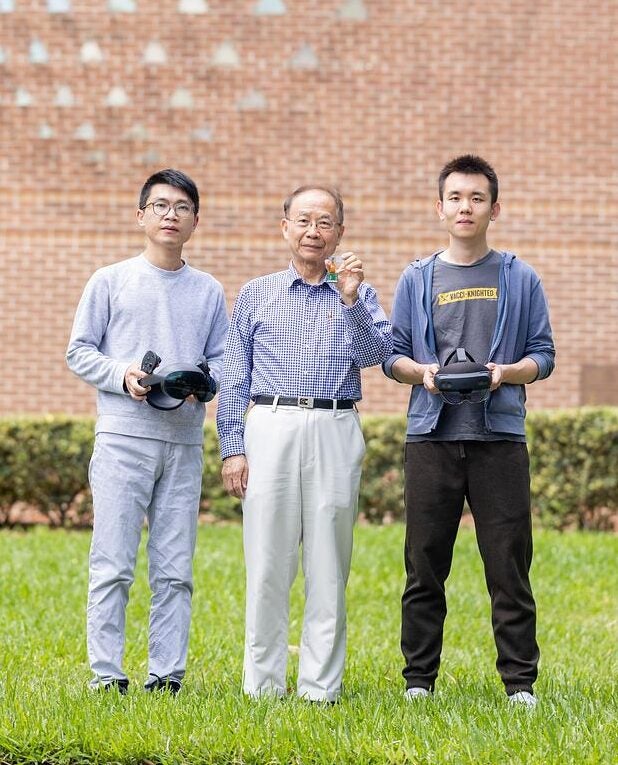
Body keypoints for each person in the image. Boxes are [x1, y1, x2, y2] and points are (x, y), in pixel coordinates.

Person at [383, 155, 555, 707]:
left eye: (477, 198)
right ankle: (418, 680)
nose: (466, 207)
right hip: (431, 436)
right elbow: (393, 356)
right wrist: (424, 374)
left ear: (494, 208)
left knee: (508, 563)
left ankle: (520, 684)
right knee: (425, 564)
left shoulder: (520, 277)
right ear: (440, 207)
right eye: (456, 197)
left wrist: (507, 374)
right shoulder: (416, 277)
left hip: (499, 437)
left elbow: (544, 356)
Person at [216, 185, 392, 703]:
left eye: (325, 222)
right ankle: (263, 686)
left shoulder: (359, 292)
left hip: (336, 426)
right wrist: (233, 447)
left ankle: (321, 687)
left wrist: (352, 298)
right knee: (268, 562)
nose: (313, 231)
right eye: (303, 221)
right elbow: (234, 376)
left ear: (341, 231)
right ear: (284, 227)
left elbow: (377, 353)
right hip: (269, 424)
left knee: (328, 564)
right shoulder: (256, 292)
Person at [66, 169, 229, 694]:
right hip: (122, 440)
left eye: (182, 207)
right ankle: (106, 675)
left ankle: (168, 675)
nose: (170, 216)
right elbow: (79, 350)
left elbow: (225, 362)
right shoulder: (109, 280)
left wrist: (201, 385)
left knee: (175, 569)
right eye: (159, 206)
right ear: (141, 216)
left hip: (183, 443)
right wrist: (124, 376)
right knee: (113, 563)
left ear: (195, 221)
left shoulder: (208, 290)